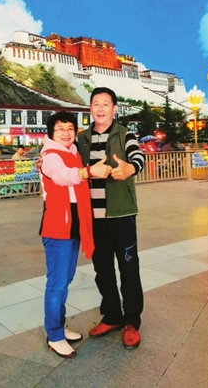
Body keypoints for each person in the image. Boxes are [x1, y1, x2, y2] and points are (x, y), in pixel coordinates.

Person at [77, 87, 145, 350]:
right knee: (102, 270)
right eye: (96, 103)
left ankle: (131, 321)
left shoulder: (125, 134)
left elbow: (137, 156)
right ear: (90, 108)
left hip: (121, 214)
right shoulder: (82, 139)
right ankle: (112, 316)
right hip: (93, 218)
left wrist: (130, 168)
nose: (101, 108)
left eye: (106, 104)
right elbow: (68, 164)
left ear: (114, 109)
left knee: (129, 269)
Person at [39, 111, 110, 359]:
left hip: (72, 225)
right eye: (60, 129)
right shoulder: (50, 156)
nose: (66, 133)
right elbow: (61, 177)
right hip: (57, 227)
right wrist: (87, 172)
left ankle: (58, 326)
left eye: (70, 128)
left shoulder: (73, 153)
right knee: (57, 283)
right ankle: (54, 335)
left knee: (65, 279)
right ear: (51, 133)